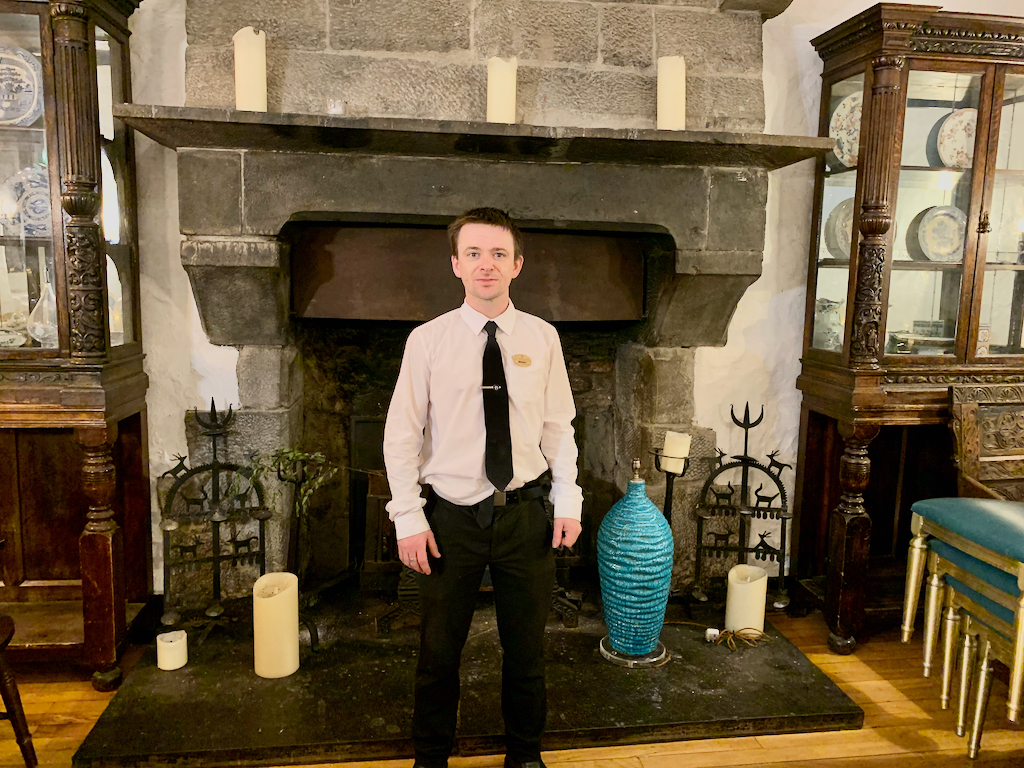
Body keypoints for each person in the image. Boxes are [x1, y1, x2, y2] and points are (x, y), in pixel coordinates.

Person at [383, 207, 583, 768]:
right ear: (456, 264)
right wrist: (407, 516)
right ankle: (431, 759)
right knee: (438, 654)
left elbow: (559, 427)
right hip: (449, 521)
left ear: (517, 264)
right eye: (473, 253)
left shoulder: (543, 338)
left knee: (526, 652)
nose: (486, 264)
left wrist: (567, 499)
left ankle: (524, 756)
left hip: (525, 515)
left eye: (498, 254)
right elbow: (401, 435)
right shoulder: (427, 341)